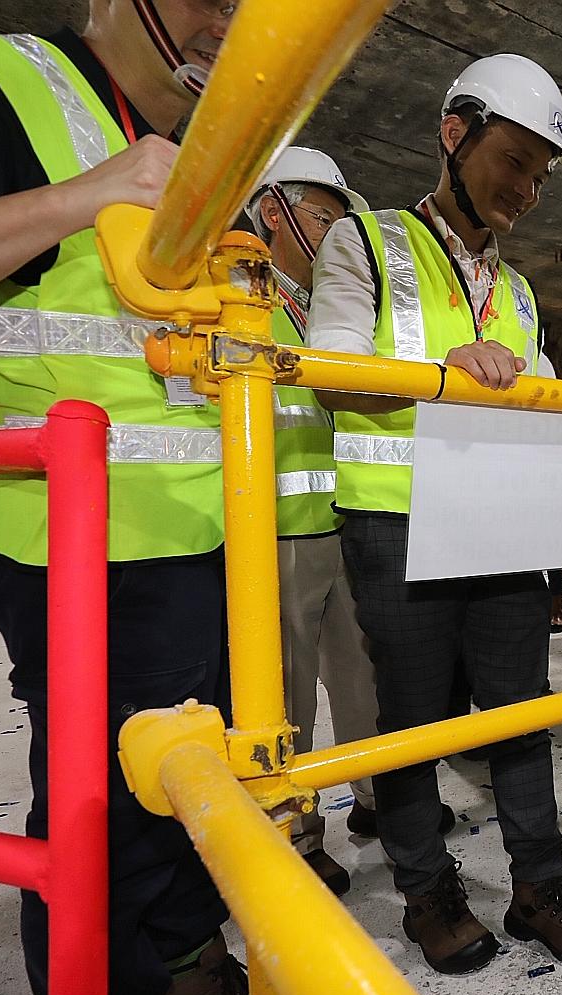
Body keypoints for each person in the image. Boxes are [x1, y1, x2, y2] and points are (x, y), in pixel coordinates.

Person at [0, 4, 246, 995]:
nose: (230, 19)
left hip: (207, 535)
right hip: (78, 541)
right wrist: (82, 198)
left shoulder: (194, 152)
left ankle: (184, 971)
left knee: (186, 791)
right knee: (104, 821)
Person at [306, 53, 562, 974]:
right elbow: (328, 373)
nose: (525, 189)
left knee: (520, 713)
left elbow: (540, 397)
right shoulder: (365, 244)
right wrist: (445, 370)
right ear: (455, 135)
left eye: (537, 173)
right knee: (412, 721)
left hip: (501, 522)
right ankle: (428, 891)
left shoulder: (516, 289)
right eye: (513, 160)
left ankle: (539, 883)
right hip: (394, 524)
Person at [244, 146, 385, 895]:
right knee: (286, 693)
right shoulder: (238, 299)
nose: (338, 232)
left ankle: (373, 797)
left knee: (363, 678)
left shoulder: (334, 307)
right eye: (325, 216)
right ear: (274, 212)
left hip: (347, 522)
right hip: (276, 532)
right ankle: (296, 831)